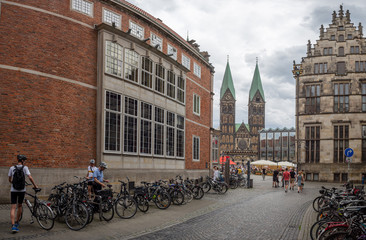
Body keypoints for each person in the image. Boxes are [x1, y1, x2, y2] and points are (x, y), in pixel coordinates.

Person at [8, 155, 38, 233]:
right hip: (22, 190)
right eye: (24, 160)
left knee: (13, 207)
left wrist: (13, 183)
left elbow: (9, 179)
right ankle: (17, 222)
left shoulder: (12, 168)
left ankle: (13, 225)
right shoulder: (25, 168)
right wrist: (35, 185)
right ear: (22, 161)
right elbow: (30, 177)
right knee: (20, 205)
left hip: (13, 190)